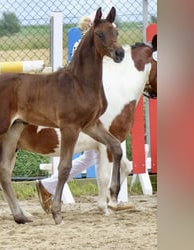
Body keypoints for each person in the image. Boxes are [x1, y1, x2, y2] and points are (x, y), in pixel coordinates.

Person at [35, 15, 129, 214]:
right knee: (101, 148)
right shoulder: (90, 44)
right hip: (87, 100)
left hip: (91, 95)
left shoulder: (90, 41)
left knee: (92, 154)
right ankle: (109, 198)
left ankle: (109, 198)